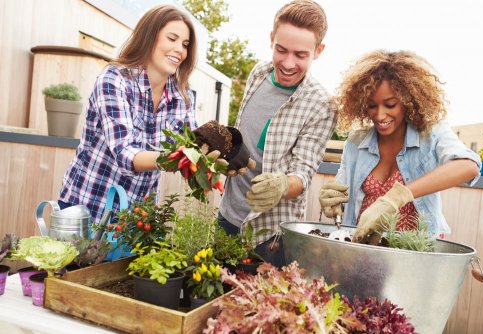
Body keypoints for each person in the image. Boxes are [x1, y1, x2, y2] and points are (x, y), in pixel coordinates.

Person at [218, 0, 336, 267]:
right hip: (227, 216)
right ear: (271, 39)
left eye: (301, 55)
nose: (288, 63)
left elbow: (302, 175)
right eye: (281, 50)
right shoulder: (259, 73)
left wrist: (282, 184)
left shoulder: (321, 105)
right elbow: (244, 136)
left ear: (318, 51)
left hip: (269, 236)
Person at [319, 50, 481, 245]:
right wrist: (333, 200)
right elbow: (342, 192)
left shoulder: (431, 134)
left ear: (408, 100)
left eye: (390, 104)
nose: (380, 115)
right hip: (364, 249)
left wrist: (399, 196)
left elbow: (468, 166)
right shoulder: (356, 142)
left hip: (415, 254)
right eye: (371, 105)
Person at [58, 5, 198, 222]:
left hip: (136, 220)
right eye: (172, 38)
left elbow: (193, 143)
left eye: (185, 44)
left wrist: (214, 157)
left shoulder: (182, 95)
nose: (180, 49)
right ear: (149, 37)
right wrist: (176, 158)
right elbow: (125, 152)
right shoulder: (114, 80)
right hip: (88, 207)